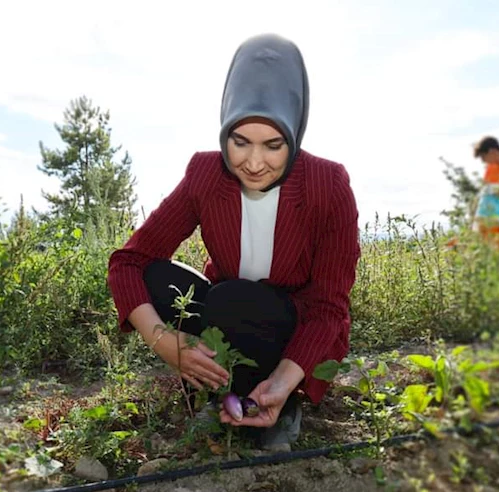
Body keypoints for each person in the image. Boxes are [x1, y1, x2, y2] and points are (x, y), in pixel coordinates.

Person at [107, 33, 361, 452]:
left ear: (294, 132)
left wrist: (283, 382)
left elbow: (329, 306)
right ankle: (217, 389)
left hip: (290, 329)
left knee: (238, 300)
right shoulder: (206, 173)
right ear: (224, 129)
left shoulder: (327, 184)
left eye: (273, 145)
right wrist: (167, 344)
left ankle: (280, 403)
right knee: (163, 279)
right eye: (240, 142)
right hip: (229, 314)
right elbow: (128, 262)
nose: (254, 162)